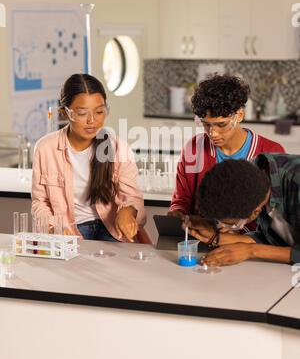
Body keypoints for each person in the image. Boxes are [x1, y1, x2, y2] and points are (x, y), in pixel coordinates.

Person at [32, 73, 147, 242]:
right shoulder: (45, 148)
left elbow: (133, 197)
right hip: (69, 229)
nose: (92, 120)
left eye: (99, 111)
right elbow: (39, 202)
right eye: (82, 113)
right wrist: (52, 227)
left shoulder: (117, 148)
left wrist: (128, 211)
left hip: (111, 227)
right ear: (65, 113)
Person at [169, 75, 285, 218]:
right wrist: (176, 214)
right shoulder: (193, 148)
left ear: (240, 115)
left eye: (221, 124)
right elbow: (182, 200)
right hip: (199, 237)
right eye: (206, 124)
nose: (213, 133)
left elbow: (274, 214)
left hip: (248, 240)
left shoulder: (271, 153)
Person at [184, 154, 300, 266]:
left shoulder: (295, 181)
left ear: (256, 211)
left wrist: (251, 251)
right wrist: (215, 238)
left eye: (231, 224)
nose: (221, 226)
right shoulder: (248, 177)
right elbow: (270, 240)